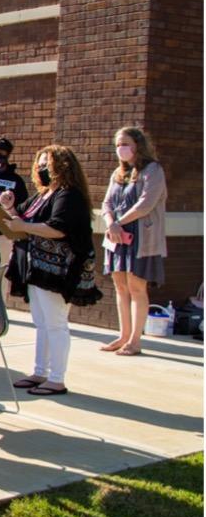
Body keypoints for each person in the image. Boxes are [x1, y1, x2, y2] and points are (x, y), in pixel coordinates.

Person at [0, 145, 99, 396]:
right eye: (39, 164)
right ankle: (40, 371)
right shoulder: (43, 194)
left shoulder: (68, 195)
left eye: (47, 164)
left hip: (56, 272)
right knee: (41, 323)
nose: (42, 168)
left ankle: (57, 378)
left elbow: (58, 229)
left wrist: (23, 225)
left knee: (55, 324)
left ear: (62, 166)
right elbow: (22, 221)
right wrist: (10, 209)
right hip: (37, 268)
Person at [100, 126, 167, 356]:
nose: (121, 149)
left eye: (125, 144)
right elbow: (106, 203)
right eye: (118, 145)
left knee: (137, 288)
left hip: (141, 237)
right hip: (116, 236)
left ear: (138, 144)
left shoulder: (152, 170)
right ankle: (123, 335)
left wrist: (119, 222)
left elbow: (146, 204)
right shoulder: (118, 174)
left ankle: (135, 341)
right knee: (120, 287)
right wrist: (111, 223)